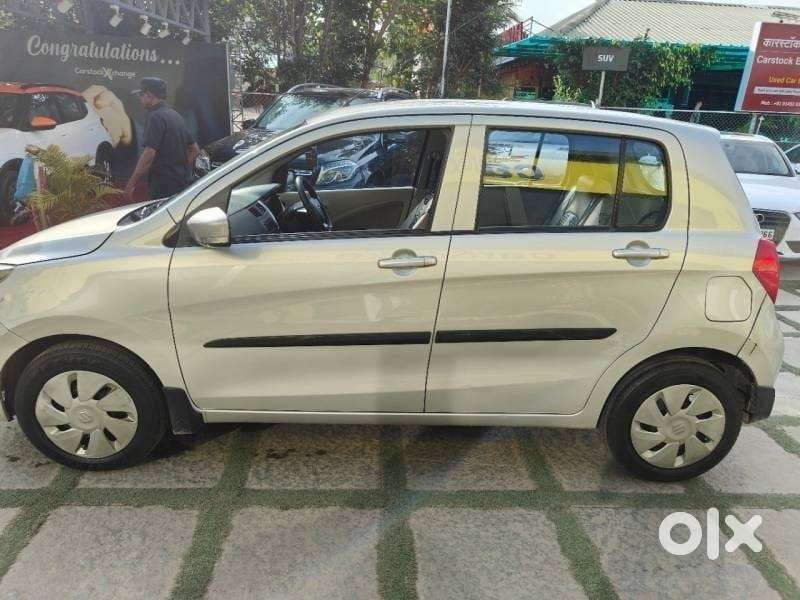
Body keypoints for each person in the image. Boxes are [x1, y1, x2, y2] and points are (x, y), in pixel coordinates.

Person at [124, 78, 200, 201]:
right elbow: (195, 149)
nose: (139, 98)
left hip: (162, 185)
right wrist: (180, 169)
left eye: (141, 94)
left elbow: (149, 153)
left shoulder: (155, 117)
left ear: (149, 95)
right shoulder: (176, 116)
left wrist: (131, 184)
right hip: (180, 183)